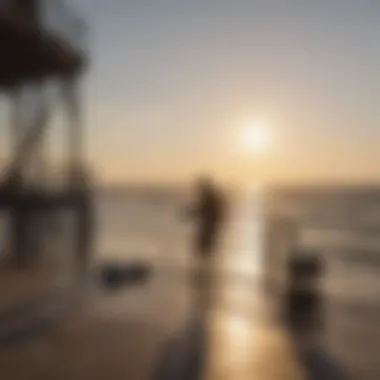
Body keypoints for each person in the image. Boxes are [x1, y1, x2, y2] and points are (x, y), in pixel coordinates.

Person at [185, 176, 226, 274]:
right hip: (209, 227)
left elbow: (206, 211)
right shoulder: (211, 197)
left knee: (204, 248)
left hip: (209, 227)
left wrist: (194, 212)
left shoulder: (210, 198)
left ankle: (204, 270)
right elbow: (203, 210)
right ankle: (205, 269)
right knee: (205, 248)